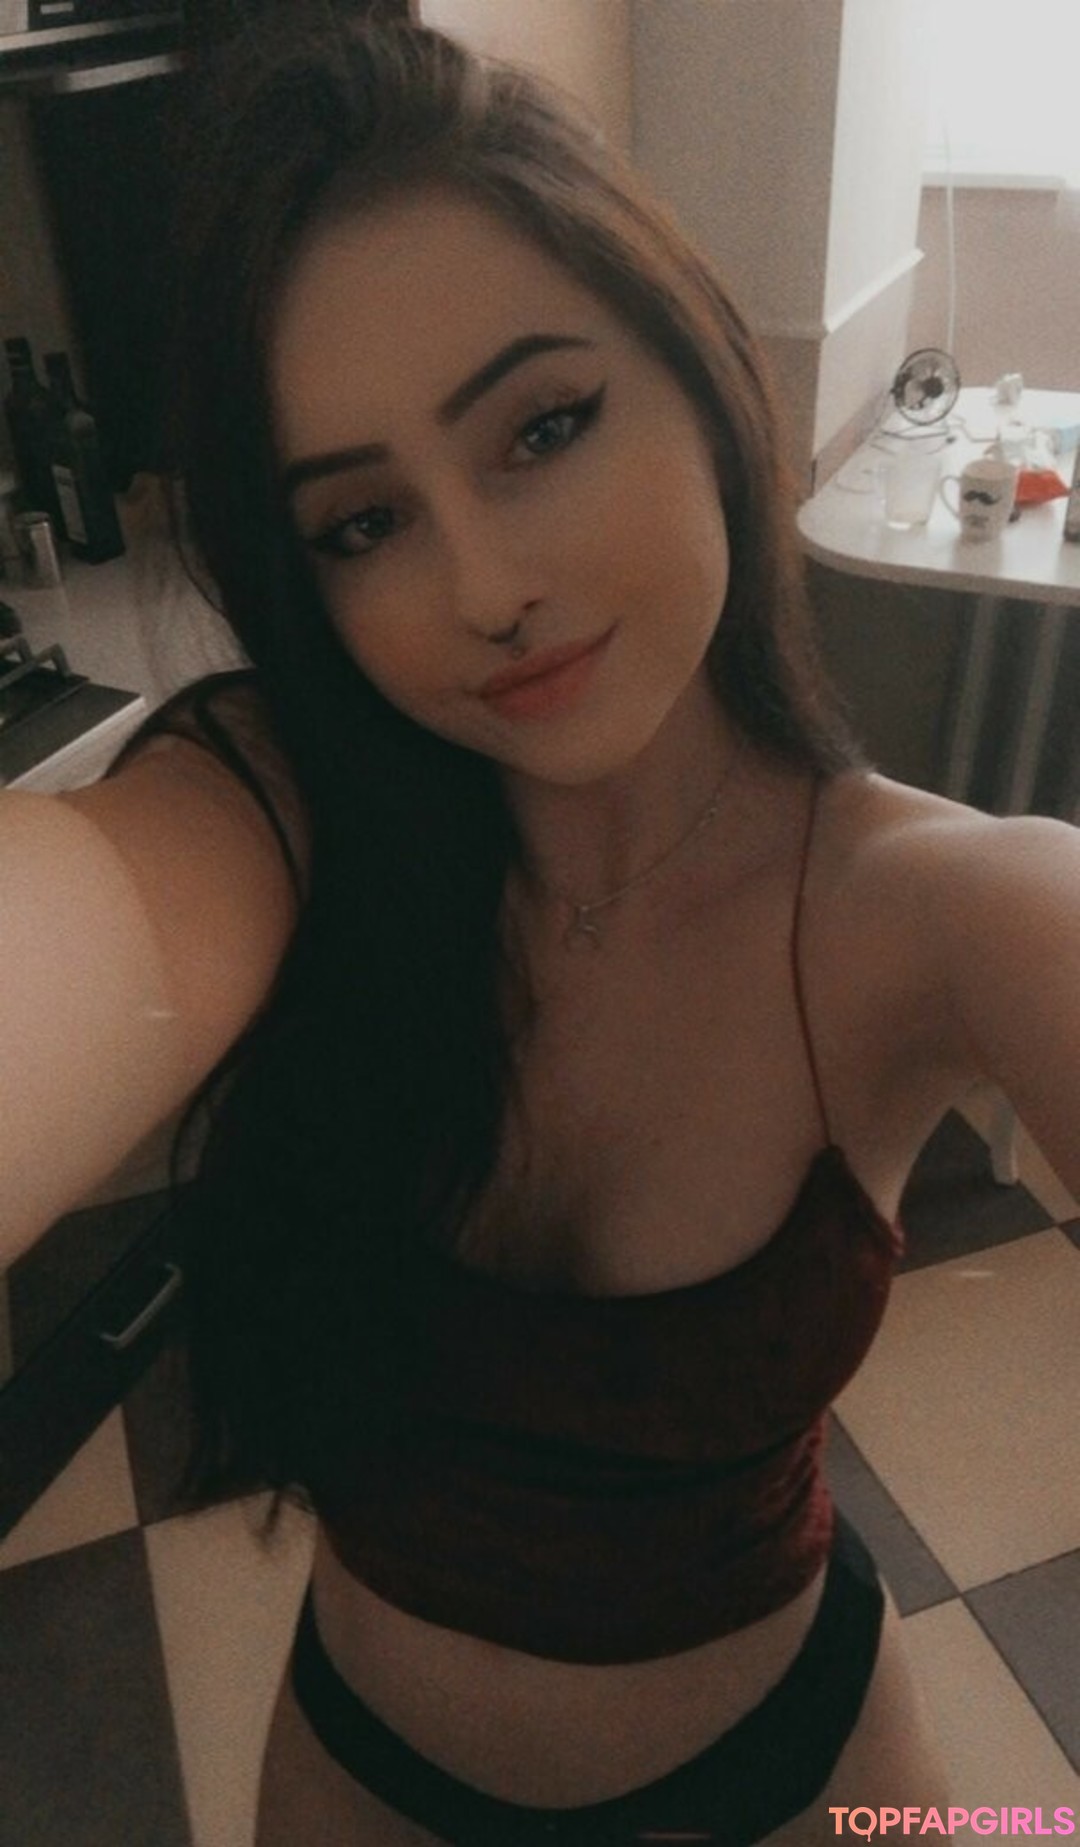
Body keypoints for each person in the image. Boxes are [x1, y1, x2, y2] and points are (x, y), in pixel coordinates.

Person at [4, 8, 1079, 1844]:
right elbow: (82, 935)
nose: (485, 586)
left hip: (811, 1787)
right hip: (361, 1782)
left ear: (701, 368)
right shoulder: (288, 818)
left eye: (544, 427)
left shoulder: (942, 910)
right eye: (362, 524)